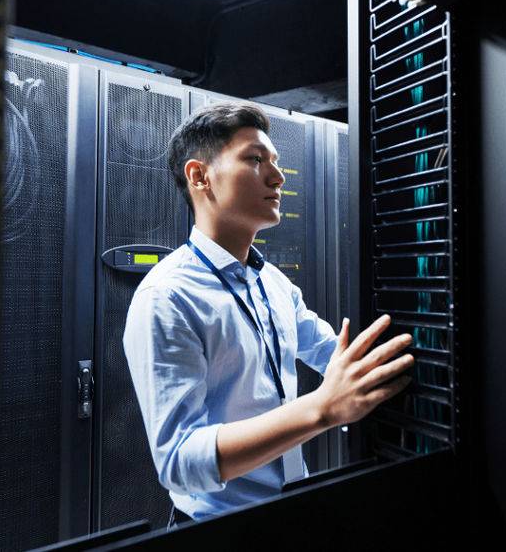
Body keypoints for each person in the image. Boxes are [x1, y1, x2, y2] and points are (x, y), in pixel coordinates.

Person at [122, 102, 414, 525]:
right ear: (199, 176)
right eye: (255, 160)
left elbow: (337, 357)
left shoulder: (273, 284)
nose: (278, 177)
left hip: (295, 507)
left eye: (275, 162)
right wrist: (321, 408)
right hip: (218, 530)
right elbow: (180, 460)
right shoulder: (167, 297)